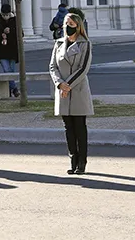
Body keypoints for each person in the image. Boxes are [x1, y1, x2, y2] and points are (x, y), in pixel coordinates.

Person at [49, 13, 94, 175]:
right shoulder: (59, 43)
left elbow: (83, 68)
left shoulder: (85, 44)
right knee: (68, 127)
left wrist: (67, 85)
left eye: (72, 24)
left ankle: (82, 161)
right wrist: (60, 83)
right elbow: (52, 66)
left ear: (78, 26)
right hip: (63, 91)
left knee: (80, 127)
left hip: (78, 89)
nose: (68, 26)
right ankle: (73, 159)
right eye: (66, 23)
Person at [0, 3, 20, 98]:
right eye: (4, 15)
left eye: (7, 15)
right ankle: (15, 89)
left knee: (11, 70)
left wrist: (10, 30)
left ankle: (8, 89)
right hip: (2, 50)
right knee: (6, 70)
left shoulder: (15, 21)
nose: (5, 17)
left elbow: (20, 33)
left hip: (12, 49)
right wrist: (1, 34)